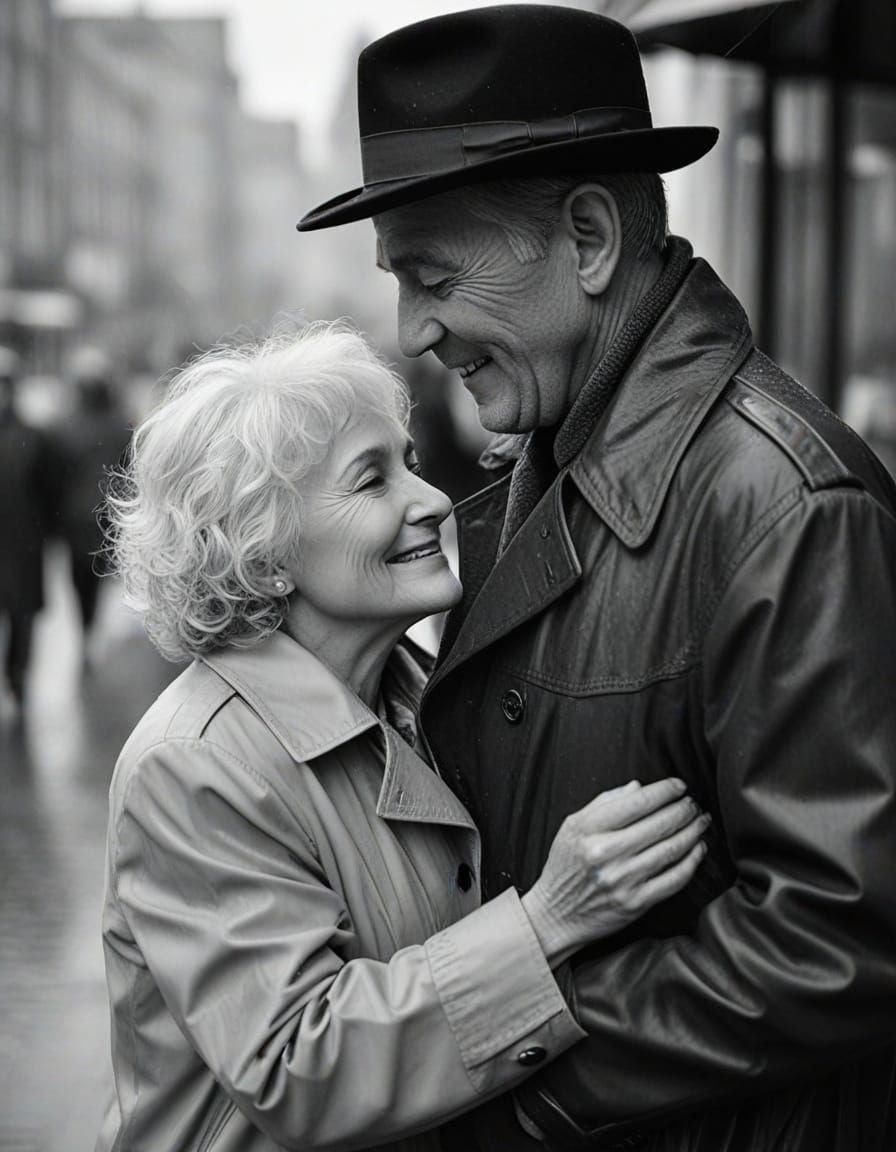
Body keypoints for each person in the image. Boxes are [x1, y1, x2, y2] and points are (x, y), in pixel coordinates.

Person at [297, 7, 896, 1150]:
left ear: (585, 239)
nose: (409, 329)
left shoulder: (781, 508)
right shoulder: (546, 458)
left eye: (430, 275)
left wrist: (511, 1060)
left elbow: (840, 938)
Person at [95, 322, 709, 1152]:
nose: (432, 501)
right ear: (265, 553)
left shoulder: (422, 699)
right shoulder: (197, 766)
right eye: (370, 481)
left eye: (410, 465)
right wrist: (551, 921)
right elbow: (300, 1067)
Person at [48, 346, 131, 663]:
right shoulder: (116, 424)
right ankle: (89, 630)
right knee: (92, 579)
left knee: (83, 580)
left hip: (82, 518)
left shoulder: (67, 426)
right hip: (99, 517)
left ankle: (87, 630)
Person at [0, 346, 54, 722]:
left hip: (21, 546)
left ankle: (17, 680)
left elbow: (49, 492)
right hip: (17, 544)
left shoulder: (34, 437)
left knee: (21, 620)